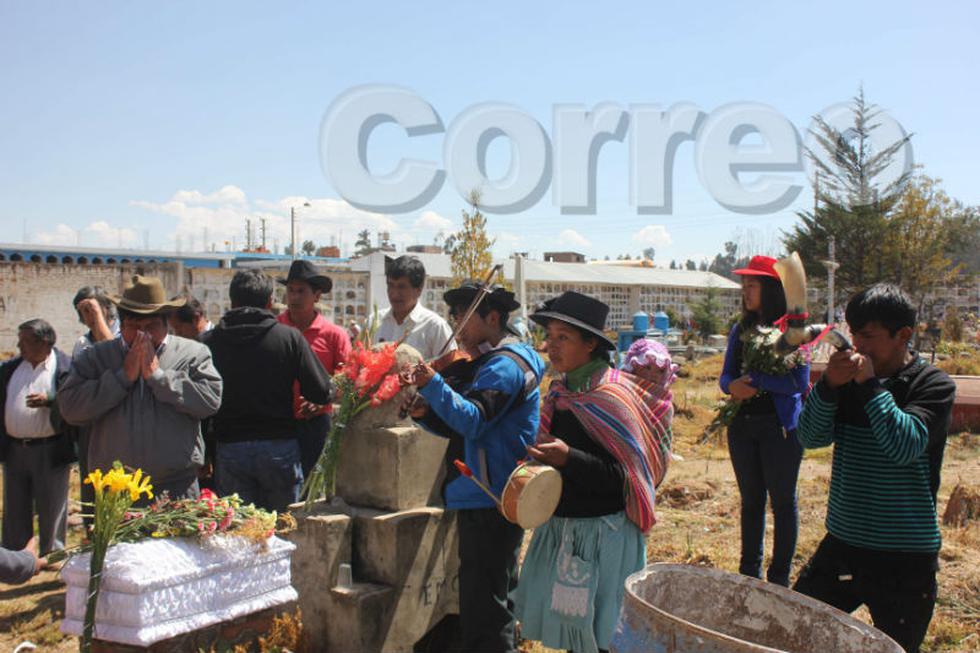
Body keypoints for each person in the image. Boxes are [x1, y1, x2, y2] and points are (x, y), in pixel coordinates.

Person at [793, 284, 956, 653]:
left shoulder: (931, 386)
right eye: (853, 334)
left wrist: (870, 387)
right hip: (843, 546)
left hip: (905, 560)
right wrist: (829, 387)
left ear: (904, 336)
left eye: (868, 336)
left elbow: (904, 446)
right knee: (796, 634)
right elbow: (810, 436)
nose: (857, 346)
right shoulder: (847, 383)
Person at [513, 291, 671, 653]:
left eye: (563, 338)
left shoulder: (611, 397)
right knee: (576, 639)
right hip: (568, 535)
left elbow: (625, 481)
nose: (551, 347)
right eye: (549, 337)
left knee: (602, 641)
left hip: (606, 538)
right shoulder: (561, 395)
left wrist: (570, 458)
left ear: (590, 345)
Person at [406, 281, 544, 653]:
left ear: (493, 317)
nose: (456, 326)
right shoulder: (492, 363)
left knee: (485, 612)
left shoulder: (503, 366)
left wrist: (434, 384)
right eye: (453, 316)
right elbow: (460, 425)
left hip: (488, 496)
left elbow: (473, 421)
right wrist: (426, 414)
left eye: (463, 317)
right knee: (494, 599)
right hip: (486, 492)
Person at [58, 275, 223, 501]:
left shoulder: (193, 354)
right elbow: (70, 408)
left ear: (166, 323)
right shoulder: (97, 357)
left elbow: (210, 400)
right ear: (122, 324)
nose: (143, 334)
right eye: (135, 326)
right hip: (116, 490)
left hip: (175, 487)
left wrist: (159, 378)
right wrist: (122, 378)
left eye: (151, 326)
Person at [203, 270, 333, 511]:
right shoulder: (289, 338)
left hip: (229, 448)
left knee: (238, 536)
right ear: (270, 302)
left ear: (232, 302)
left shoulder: (209, 342)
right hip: (279, 449)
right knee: (284, 531)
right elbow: (321, 392)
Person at [719, 255, 810, 587]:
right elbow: (726, 374)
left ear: (771, 289)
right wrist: (731, 386)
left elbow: (798, 383)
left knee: (783, 502)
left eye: (753, 285)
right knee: (751, 501)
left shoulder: (792, 331)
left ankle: (779, 579)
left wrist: (756, 380)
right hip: (742, 428)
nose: (746, 291)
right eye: (744, 285)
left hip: (779, 430)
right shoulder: (740, 331)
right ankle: (749, 574)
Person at [1, 320, 74, 556]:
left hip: (50, 449)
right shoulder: (10, 369)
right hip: (15, 449)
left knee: (52, 504)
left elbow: (77, 401)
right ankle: (15, 555)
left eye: (24, 341)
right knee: (15, 505)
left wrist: (51, 400)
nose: (19, 345)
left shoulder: (65, 368)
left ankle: (51, 554)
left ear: (43, 342)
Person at [277, 260, 350, 479]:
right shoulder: (275, 329)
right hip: (279, 423)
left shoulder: (334, 335)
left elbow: (348, 377)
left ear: (316, 296)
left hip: (317, 425)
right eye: (291, 291)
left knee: (313, 488)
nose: (295, 297)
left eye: (301, 291)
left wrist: (322, 400)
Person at [373, 255, 455, 359]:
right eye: (390, 285)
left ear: (419, 290)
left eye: (401, 287)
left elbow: (451, 370)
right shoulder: (374, 322)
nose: (394, 294)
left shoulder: (435, 327)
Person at [72, 286, 119, 358]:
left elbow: (113, 355)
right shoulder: (81, 345)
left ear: (106, 307)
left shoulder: (123, 333)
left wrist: (97, 313)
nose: (91, 315)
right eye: (86, 311)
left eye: (93, 309)